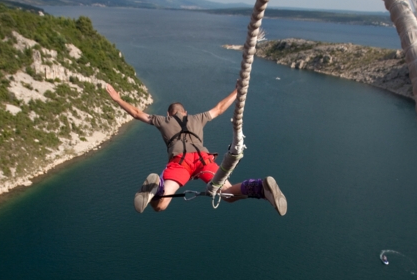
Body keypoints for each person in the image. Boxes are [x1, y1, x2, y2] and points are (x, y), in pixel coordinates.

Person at [106, 83, 287, 215]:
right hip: (203, 160)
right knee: (228, 194)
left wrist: (117, 98)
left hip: (180, 162)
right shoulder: (197, 118)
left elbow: (137, 114)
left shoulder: (163, 120)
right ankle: (260, 187)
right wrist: (237, 90)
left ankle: (157, 187)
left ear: (169, 113)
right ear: (185, 112)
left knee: (160, 206)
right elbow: (220, 108)